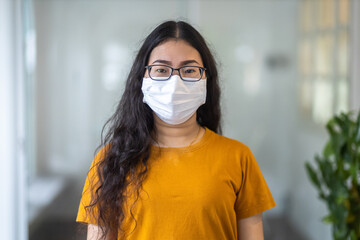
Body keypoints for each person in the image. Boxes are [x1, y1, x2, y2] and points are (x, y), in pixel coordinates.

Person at [76, 20, 276, 240]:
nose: (175, 81)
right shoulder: (110, 161)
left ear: (206, 80)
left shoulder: (238, 157)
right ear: (141, 79)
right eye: (161, 69)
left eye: (189, 70)